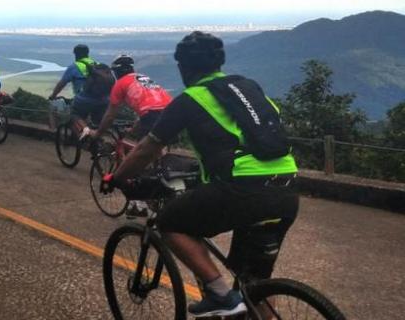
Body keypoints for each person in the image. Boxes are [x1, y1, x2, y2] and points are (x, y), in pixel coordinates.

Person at [103, 31, 299, 317]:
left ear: (183, 68)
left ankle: (220, 295)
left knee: (170, 221)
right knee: (255, 284)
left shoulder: (190, 99)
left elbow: (147, 148)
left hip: (243, 188)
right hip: (287, 187)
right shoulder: (247, 87)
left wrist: (117, 177)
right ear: (219, 63)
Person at [87, 54, 173, 144]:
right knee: (157, 147)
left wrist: (98, 133)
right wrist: (133, 130)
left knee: (143, 152)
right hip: (172, 109)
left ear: (116, 72)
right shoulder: (143, 77)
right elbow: (150, 110)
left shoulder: (120, 84)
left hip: (152, 115)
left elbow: (110, 116)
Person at [48, 44, 113, 139]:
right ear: (87, 53)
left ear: (75, 54)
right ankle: (100, 142)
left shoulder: (74, 67)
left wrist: (53, 95)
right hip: (104, 99)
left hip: (84, 99)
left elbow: (61, 84)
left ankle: (86, 132)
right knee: (98, 122)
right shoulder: (97, 65)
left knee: (74, 114)